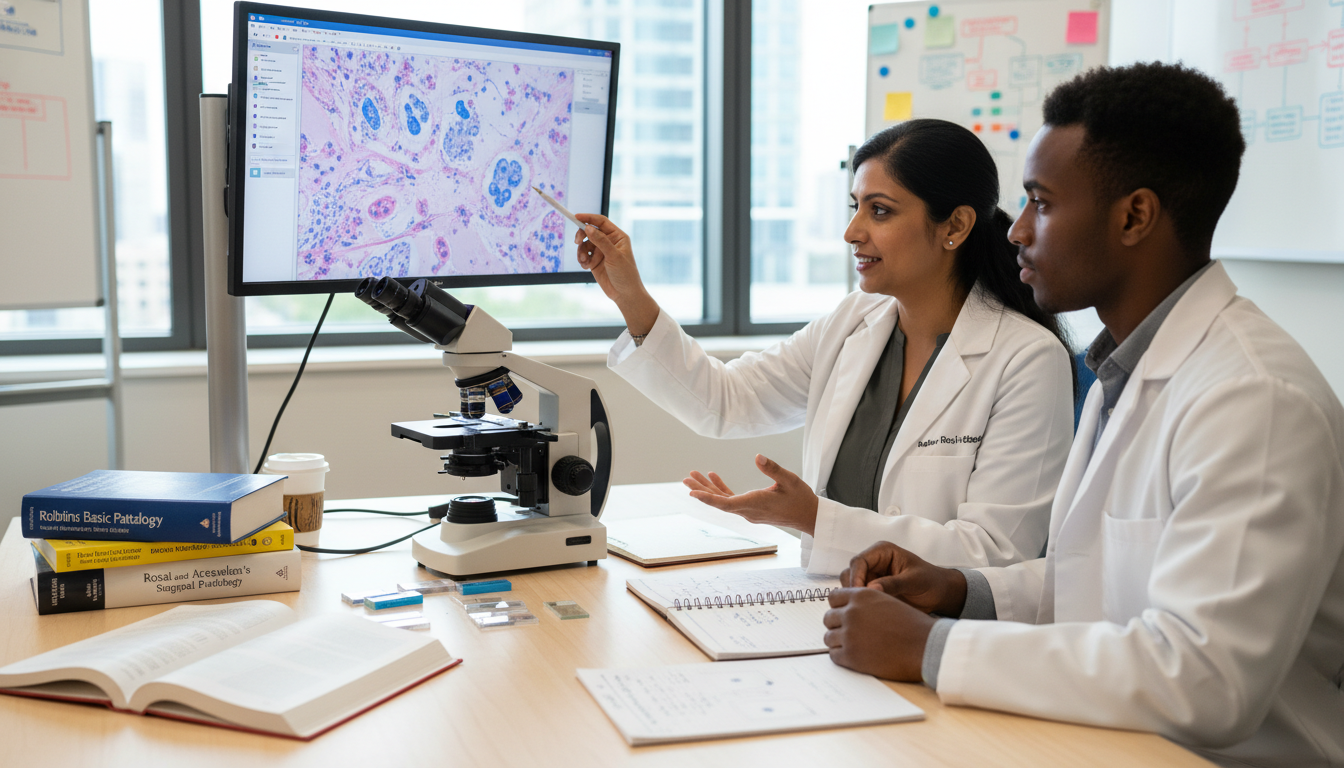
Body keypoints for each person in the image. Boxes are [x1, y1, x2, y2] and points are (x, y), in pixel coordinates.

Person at [821, 62, 1344, 767]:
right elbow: (1099, 586)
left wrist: (930, 648)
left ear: (1134, 216)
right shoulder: (1121, 372)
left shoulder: (1254, 401)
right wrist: (962, 590)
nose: (1017, 232)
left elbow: (1205, 679)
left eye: (1041, 202)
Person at [573, 119, 1075, 573]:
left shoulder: (1027, 359)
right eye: (855, 208)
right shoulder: (853, 322)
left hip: (935, 633)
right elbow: (727, 402)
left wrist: (814, 518)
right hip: (829, 610)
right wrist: (630, 296)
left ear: (956, 226)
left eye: (879, 211)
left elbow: (997, 553)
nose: (852, 232)